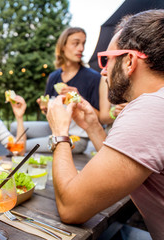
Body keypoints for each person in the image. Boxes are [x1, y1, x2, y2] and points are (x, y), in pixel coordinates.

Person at [46, 10, 164, 240]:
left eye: (106, 59)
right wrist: (92, 126)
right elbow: (123, 163)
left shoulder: (150, 110)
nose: (103, 70)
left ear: (129, 61)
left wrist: (60, 133)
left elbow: (71, 208)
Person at [36, 27, 101, 153]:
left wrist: (79, 98)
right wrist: (45, 108)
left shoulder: (92, 77)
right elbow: (50, 112)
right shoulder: (53, 77)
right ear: (63, 46)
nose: (81, 48)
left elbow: (99, 118)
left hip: (77, 136)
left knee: (24, 146)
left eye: (83, 43)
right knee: (14, 127)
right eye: (76, 43)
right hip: (54, 129)